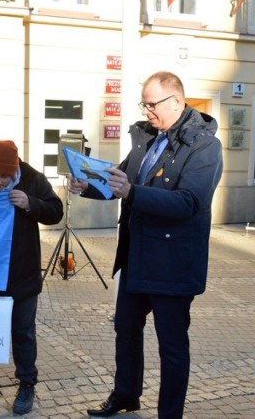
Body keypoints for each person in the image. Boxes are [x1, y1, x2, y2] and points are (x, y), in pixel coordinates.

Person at [69, 71, 223, 418]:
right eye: (145, 103)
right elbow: (119, 181)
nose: (147, 110)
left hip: (173, 263)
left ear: (176, 102)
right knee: (125, 329)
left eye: (151, 104)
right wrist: (88, 186)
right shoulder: (147, 138)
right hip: (137, 256)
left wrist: (133, 192)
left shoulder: (204, 146)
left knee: (171, 346)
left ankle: (170, 414)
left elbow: (189, 202)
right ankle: (125, 395)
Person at [0, 140, 64, 415]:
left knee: (23, 333)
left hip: (23, 274)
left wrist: (31, 203)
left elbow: (55, 211)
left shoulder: (32, 179)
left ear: (15, 171)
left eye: (4, 177)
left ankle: (27, 385)